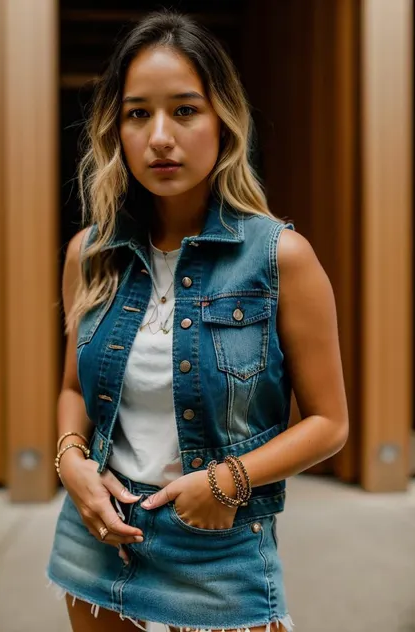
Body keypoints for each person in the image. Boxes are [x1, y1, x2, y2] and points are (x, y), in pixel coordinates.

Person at [46, 9, 349, 632]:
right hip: (98, 537)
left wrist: (227, 481)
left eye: (185, 110)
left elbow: (329, 424)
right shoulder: (90, 253)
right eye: (138, 113)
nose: (160, 136)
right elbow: (75, 388)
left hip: (218, 543)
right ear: (116, 129)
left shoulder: (279, 257)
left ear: (224, 123)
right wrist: (71, 462)